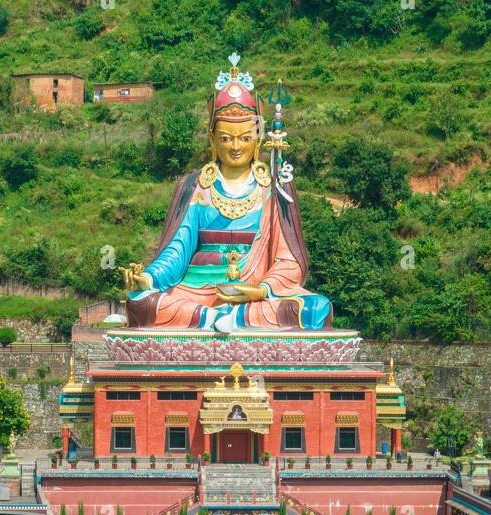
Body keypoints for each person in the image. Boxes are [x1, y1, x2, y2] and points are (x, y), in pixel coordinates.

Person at [121, 55, 333, 333]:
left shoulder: (274, 186)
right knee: (141, 302)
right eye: (225, 138)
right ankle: (214, 320)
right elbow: (177, 251)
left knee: (317, 307)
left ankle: (229, 320)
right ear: (212, 140)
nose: (235, 147)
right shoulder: (194, 185)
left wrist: (261, 291)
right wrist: (147, 279)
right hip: (195, 290)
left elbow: (289, 259)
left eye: (245, 138)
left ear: (258, 139)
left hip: (253, 291)